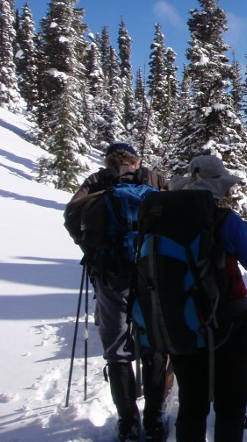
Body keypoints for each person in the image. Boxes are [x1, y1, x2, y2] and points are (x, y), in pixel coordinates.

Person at [64, 142, 169, 442]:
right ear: (135, 162)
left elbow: (72, 218)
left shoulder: (97, 182)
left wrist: (91, 248)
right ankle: (155, 419)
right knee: (155, 342)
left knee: (117, 348)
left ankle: (128, 422)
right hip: (153, 273)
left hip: (111, 274)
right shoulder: (154, 179)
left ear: (109, 162)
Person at [167, 154, 247, 442]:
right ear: (217, 186)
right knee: (230, 406)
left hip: (180, 320)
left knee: (191, 405)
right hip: (228, 322)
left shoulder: (164, 218)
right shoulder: (226, 219)